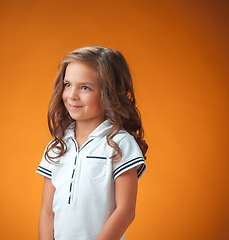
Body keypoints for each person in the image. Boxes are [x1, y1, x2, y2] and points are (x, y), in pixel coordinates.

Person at [36, 46, 148, 240]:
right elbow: (47, 212)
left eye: (85, 87)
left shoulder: (120, 143)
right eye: (68, 84)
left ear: (109, 93)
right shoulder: (57, 147)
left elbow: (125, 211)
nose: (72, 95)